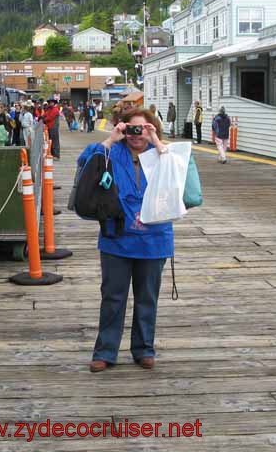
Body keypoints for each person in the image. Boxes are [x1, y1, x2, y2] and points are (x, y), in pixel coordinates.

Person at [83, 108, 172, 373]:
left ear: (153, 129)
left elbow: (180, 173)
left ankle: (144, 348)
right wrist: (110, 140)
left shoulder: (163, 154)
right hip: (116, 237)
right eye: (132, 128)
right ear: (123, 129)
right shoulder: (112, 152)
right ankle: (105, 351)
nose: (137, 134)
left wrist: (157, 143)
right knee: (113, 296)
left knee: (147, 297)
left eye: (144, 128)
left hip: (154, 239)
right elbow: (85, 161)